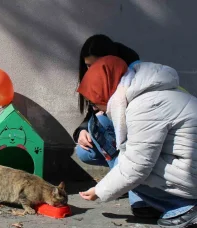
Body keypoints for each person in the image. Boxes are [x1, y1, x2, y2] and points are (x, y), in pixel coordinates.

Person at [77, 55, 197, 227]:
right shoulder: (141, 91)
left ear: (106, 92)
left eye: (96, 103)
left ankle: (186, 208)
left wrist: (100, 190)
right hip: (188, 164)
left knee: (132, 173)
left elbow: (136, 167)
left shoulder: (144, 106)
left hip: (192, 172)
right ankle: (155, 204)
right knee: (123, 162)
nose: (96, 108)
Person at [73, 35, 159, 218]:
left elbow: (133, 151)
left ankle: (137, 196)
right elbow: (94, 109)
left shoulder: (129, 84)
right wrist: (83, 130)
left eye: (94, 66)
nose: (90, 70)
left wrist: (104, 189)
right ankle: (124, 183)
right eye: (87, 66)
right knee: (83, 151)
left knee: (109, 131)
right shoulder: (107, 82)